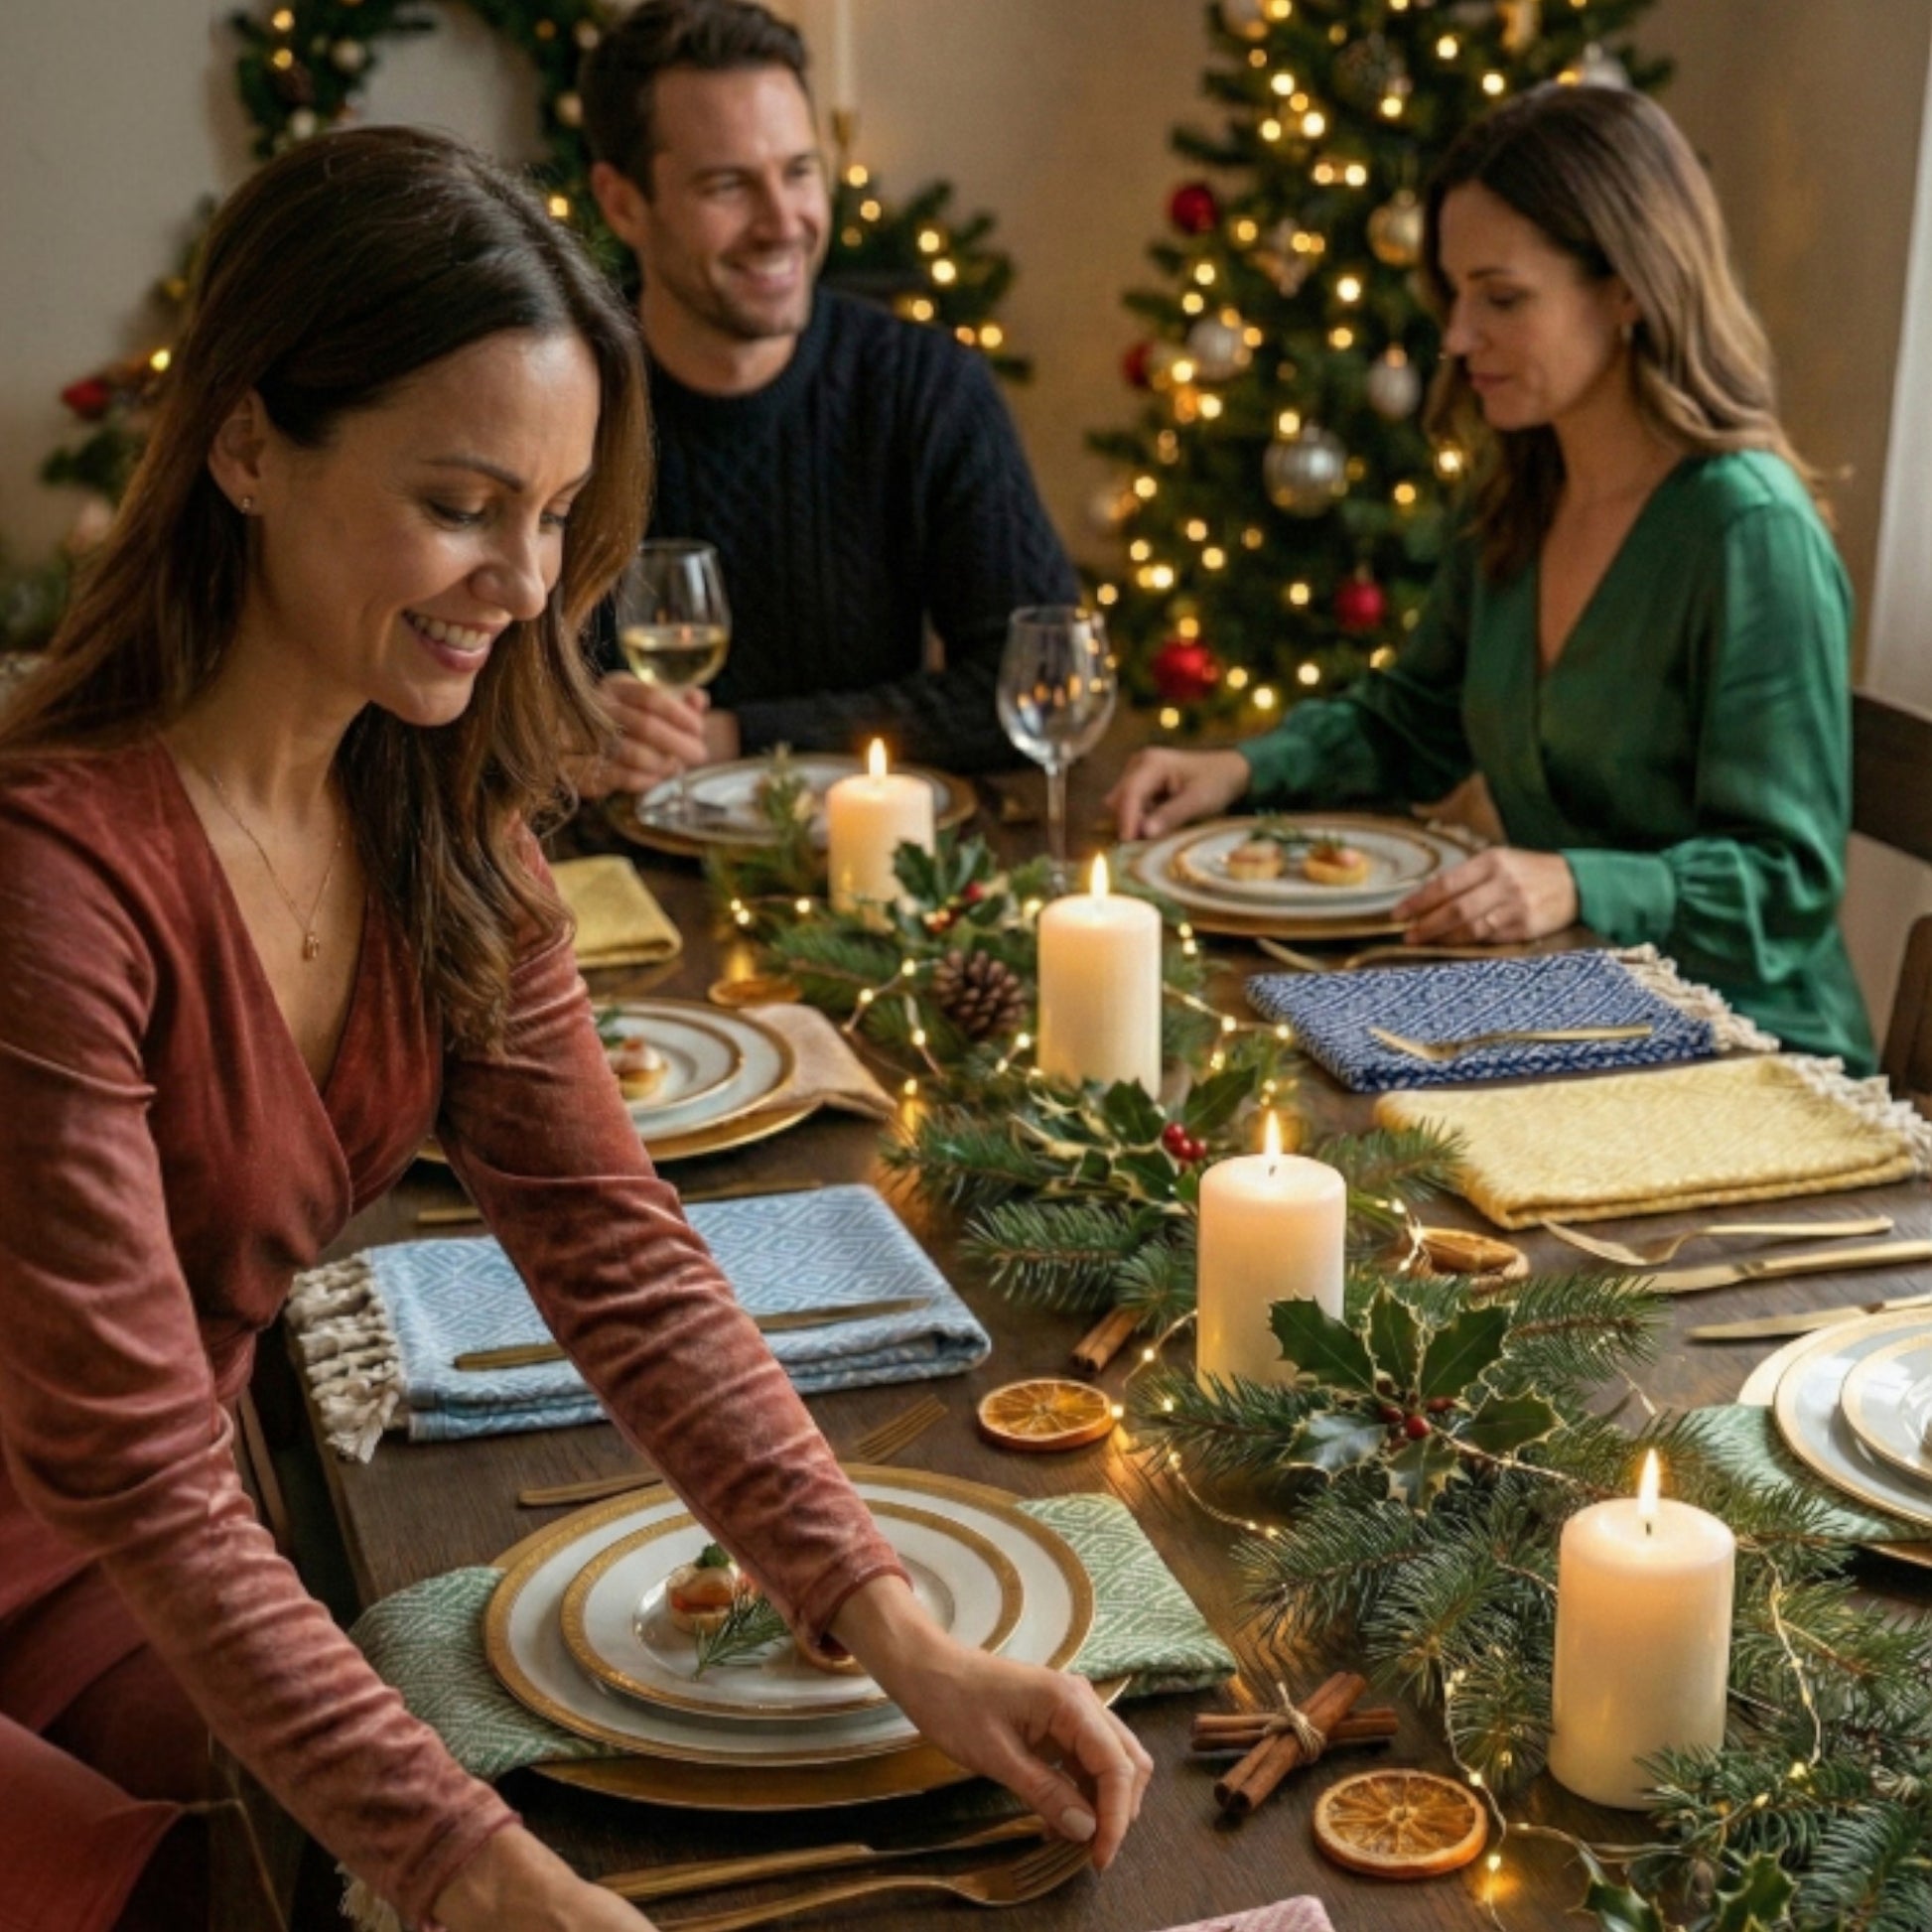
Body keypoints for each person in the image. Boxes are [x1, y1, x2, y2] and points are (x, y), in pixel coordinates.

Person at [0, 126, 1149, 1932]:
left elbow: (623, 1260)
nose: (528, 587)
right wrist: (469, 1874)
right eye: (461, 506)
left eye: (553, 521)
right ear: (242, 444)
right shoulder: (56, 874)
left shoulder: (436, 815)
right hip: (86, 1550)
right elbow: (133, 1471)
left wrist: (901, 1632)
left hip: (163, 1548)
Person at [1109, 84, 1874, 1070]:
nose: (1457, 336)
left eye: (1500, 297)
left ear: (1628, 288)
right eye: (1452, 294)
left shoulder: (1745, 529)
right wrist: (1242, 767)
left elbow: (1788, 878)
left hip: (1751, 1054)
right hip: (1566, 1008)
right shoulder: (1520, 490)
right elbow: (1410, 720)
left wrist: (1575, 883)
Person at [572, 0, 1077, 792]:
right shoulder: (561, 399)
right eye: (728, 184)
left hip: (862, 878)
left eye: (801, 172)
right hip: (607, 883)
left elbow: (1038, 686)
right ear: (623, 202)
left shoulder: (924, 387)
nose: (785, 224)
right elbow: (449, 686)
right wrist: (554, 730)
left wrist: (741, 736)